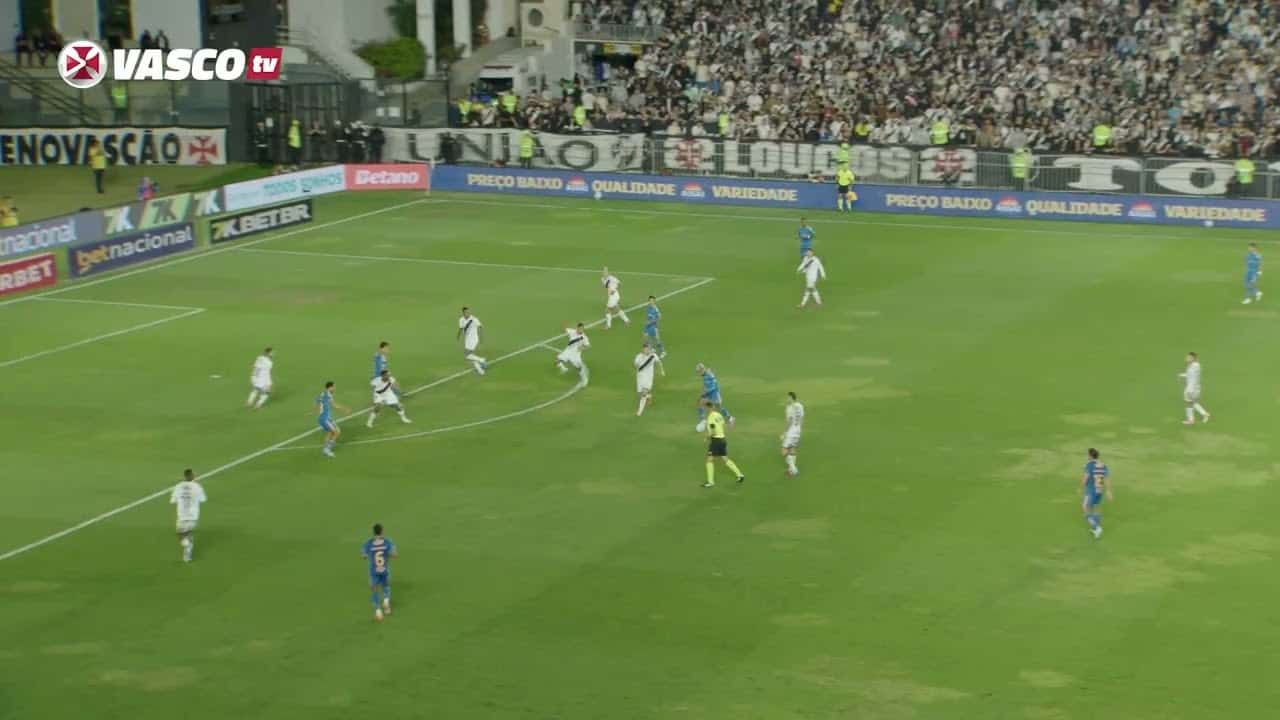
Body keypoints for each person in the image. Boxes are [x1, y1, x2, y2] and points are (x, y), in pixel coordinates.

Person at [702, 400, 745, 488]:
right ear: (713, 406)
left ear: (707, 408)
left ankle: (710, 482)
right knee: (725, 459)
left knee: (709, 460)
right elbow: (724, 425)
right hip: (723, 439)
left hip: (716, 441)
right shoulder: (719, 415)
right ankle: (740, 475)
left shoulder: (710, 418)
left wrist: (707, 437)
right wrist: (731, 423)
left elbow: (713, 430)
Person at [169, 469, 207, 562]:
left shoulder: (178, 486)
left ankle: (187, 547)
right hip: (193, 516)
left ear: (185, 476)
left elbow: (172, 501)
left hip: (182, 515)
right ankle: (187, 553)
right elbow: (203, 499)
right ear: (192, 476)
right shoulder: (197, 487)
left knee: (181, 534)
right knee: (189, 533)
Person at [360, 523, 397, 621]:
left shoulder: (368, 543)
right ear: (382, 531)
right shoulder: (387, 542)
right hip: (384, 569)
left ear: (374, 532)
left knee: (374, 590)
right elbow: (394, 554)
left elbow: (363, 555)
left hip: (374, 571)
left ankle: (378, 612)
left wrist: (369, 555)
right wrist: (387, 554)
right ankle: (386, 601)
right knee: (386, 586)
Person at [1080, 448, 1111, 539]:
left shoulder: (1089, 465)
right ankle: (1096, 530)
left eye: (1087, 455)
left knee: (1085, 507)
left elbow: (1086, 478)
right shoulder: (1103, 465)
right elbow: (1107, 478)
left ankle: (1096, 527)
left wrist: (1081, 487)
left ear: (1090, 456)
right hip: (1099, 490)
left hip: (1091, 490)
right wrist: (1108, 491)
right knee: (1096, 508)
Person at [694, 363, 732, 430]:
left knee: (719, 408)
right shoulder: (706, 374)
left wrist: (703, 394)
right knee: (700, 403)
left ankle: (730, 418)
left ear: (702, 369)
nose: (698, 373)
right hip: (711, 393)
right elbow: (706, 385)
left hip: (714, 394)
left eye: (699, 371)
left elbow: (711, 388)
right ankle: (703, 420)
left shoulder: (708, 375)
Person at [317, 381, 349, 457]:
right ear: (330, 387)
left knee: (330, 432)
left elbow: (317, 400)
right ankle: (327, 450)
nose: (334, 388)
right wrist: (345, 409)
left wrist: (319, 409)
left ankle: (325, 449)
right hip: (325, 418)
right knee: (336, 432)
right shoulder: (328, 395)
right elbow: (334, 406)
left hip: (322, 418)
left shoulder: (322, 394)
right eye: (334, 387)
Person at [1179, 352, 1210, 426]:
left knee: (1189, 403)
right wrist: (1183, 375)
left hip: (1191, 389)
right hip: (1195, 388)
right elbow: (1191, 376)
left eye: (1189, 357)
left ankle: (1191, 420)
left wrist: (1190, 390)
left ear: (1193, 358)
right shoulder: (1195, 365)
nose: (1186, 359)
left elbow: (1193, 379)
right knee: (1192, 403)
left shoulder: (1193, 367)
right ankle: (1205, 414)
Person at [634, 342, 663, 416]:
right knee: (640, 394)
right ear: (643, 349)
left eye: (648, 348)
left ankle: (639, 412)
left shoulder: (653, 356)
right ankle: (649, 396)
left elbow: (659, 362)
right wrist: (637, 366)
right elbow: (635, 365)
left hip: (648, 378)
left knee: (643, 393)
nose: (647, 350)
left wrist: (661, 371)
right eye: (646, 348)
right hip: (640, 377)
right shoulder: (639, 356)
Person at [457, 306, 488, 375]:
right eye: (466, 312)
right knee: (470, 355)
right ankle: (480, 370)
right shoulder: (461, 320)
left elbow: (480, 327)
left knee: (467, 355)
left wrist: (481, 338)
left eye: (468, 312)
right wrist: (458, 336)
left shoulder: (474, 319)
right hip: (467, 340)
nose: (468, 313)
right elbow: (461, 328)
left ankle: (481, 360)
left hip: (473, 339)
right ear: (463, 313)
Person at [780, 391, 804, 476]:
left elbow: (789, 421)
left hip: (791, 431)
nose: (787, 399)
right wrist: (799, 430)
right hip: (798, 430)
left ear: (791, 398)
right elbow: (801, 419)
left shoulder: (789, 407)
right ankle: (790, 470)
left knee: (783, 451)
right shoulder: (800, 406)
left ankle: (794, 469)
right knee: (792, 449)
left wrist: (784, 433)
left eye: (788, 397)